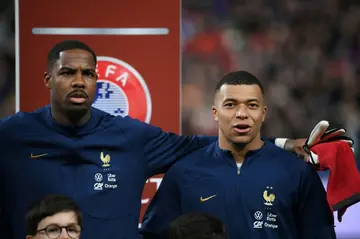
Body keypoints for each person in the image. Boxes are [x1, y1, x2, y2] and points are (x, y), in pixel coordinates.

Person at [0, 40, 313, 239]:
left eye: (89, 73)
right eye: (68, 72)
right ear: (47, 79)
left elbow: (202, 145)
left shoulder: (130, 136)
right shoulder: (13, 134)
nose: (80, 81)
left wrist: (281, 144)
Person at [140, 71, 336, 239]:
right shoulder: (183, 173)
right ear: (215, 113)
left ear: (264, 113)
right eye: (231, 104)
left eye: (252, 105)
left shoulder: (297, 173)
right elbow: (152, 235)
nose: (242, 113)